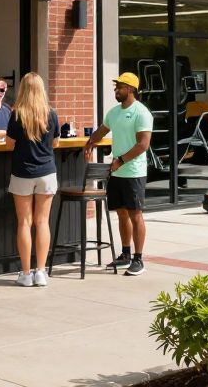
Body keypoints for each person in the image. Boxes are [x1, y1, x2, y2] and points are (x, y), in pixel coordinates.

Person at [84, 72, 153, 277]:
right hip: (117, 173)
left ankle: (138, 259)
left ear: (131, 89)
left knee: (136, 214)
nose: (116, 90)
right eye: (116, 87)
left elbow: (143, 144)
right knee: (122, 213)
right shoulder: (114, 112)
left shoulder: (142, 113)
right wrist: (89, 143)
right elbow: (102, 131)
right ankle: (125, 254)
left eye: (120, 87)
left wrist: (120, 160)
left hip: (134, 172)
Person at [2, 72, 60, 287]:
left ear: (23, 90)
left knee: (24, 223)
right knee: (42, 222)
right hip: (47, 172)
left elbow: (9, 145)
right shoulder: (51, 114)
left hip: (22, 173)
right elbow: (55, 144)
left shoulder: (17, 115)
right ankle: (41, 272)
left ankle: (26, 274)